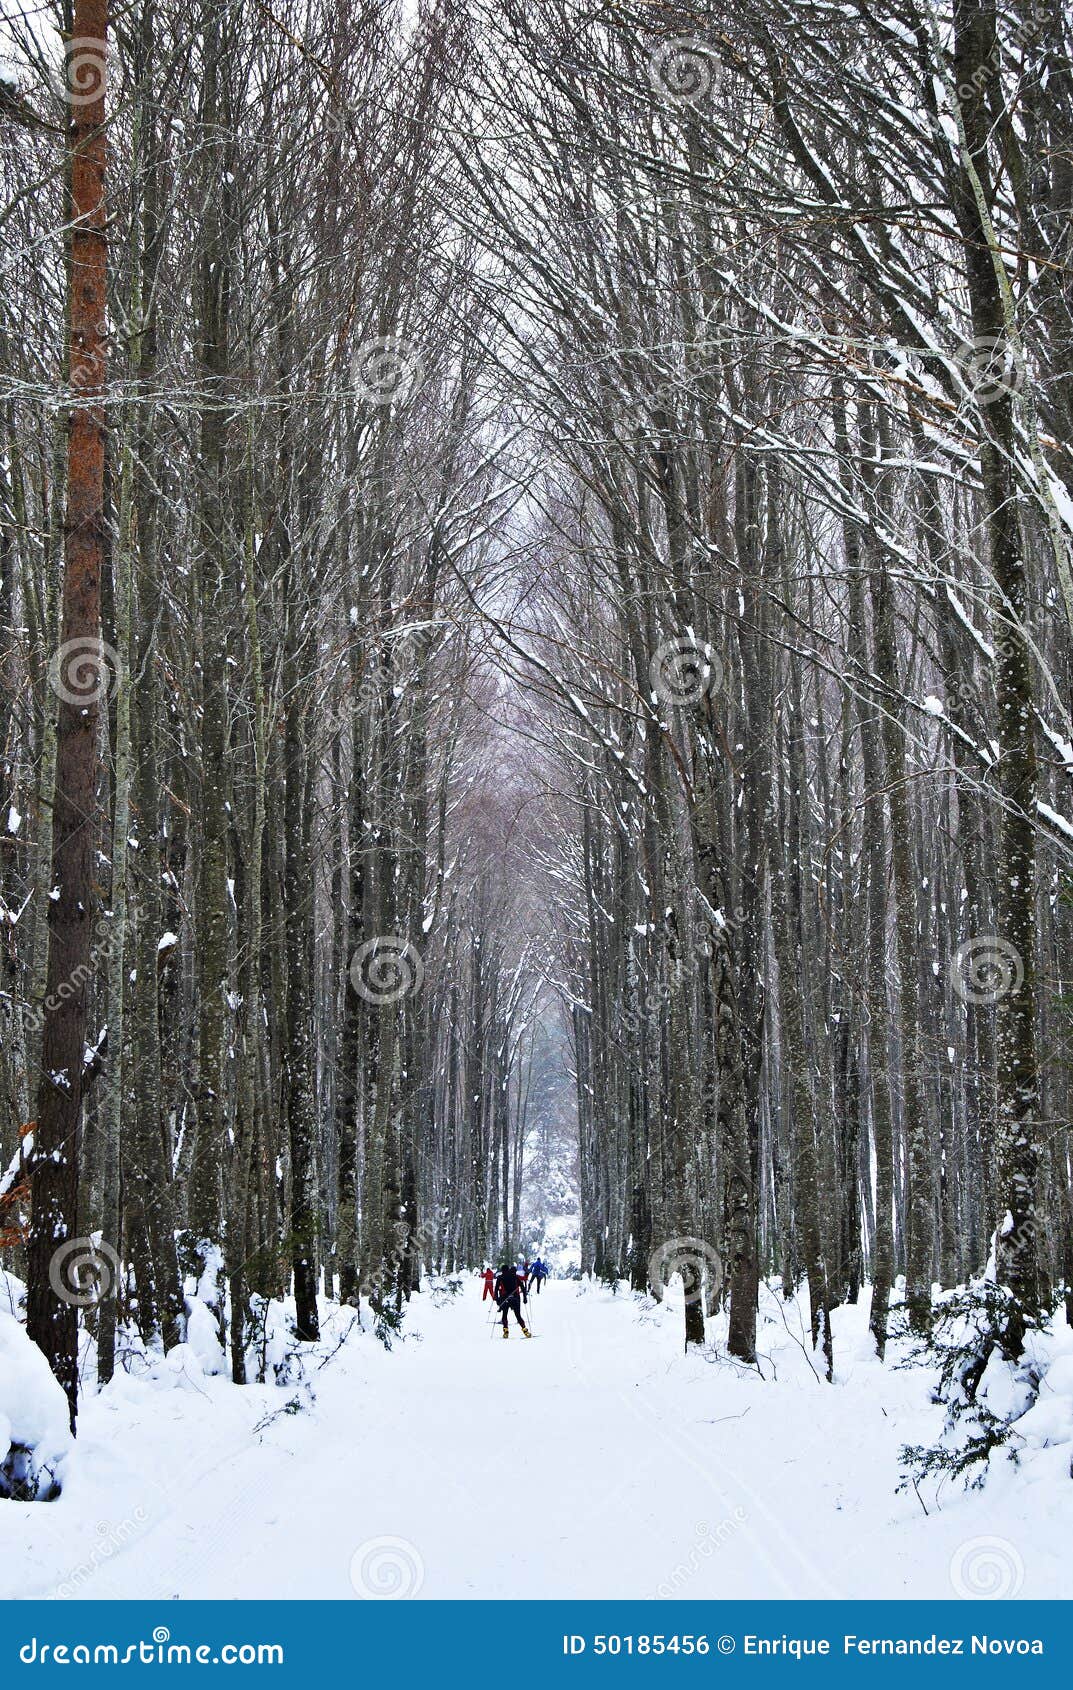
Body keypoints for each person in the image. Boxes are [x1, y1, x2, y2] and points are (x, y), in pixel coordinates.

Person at [494, 1260, 531, 1337]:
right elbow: (523, 1287)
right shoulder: (515, 1276)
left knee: (504, 1315)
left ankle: (506, 1331)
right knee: (518, 1316)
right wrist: (524, 1298)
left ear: (502, 1270)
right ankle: (525, 1331)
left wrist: (497, 1299)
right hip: (515, 1298)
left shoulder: (500, 1277)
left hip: (505, 1299)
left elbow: (496, 1289)